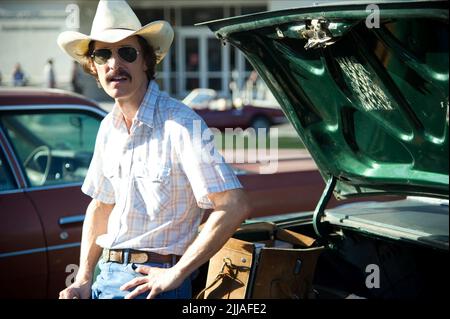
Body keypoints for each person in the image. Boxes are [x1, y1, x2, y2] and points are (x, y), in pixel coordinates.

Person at [57, 0, 250, 299]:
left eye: (127, 53)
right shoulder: (109, 127)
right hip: (104, 280)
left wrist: (177, 272)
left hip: (152, 287)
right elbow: (101, 206)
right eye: (103, 54)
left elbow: (234, 205)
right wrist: (82, 278)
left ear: (146, 61)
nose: (114, 64)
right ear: (93, 67)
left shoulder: (181, 123)